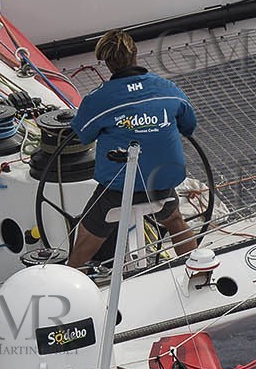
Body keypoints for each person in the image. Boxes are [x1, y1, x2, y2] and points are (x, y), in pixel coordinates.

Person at [67, 29, 198, 270]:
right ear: (136, 54)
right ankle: (197, 267)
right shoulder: (168, 88)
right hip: (161, 183)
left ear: (107, 63)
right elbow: (189, 126)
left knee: (87, 233)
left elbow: (82, 136)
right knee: (175, 220)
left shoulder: (97, 99)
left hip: (118, 189)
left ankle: (66, 283)